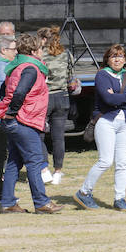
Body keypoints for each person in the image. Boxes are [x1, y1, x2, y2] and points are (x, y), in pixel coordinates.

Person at [0, 33, 63, 214]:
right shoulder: (30, 68)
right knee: (35, 161)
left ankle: (8, 203)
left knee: (14, 162)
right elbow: (19, 93)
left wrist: (8, 113)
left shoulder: (15, 66)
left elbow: (5, 90)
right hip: (23, 120)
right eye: (41, 48)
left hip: (13, 120)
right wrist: (12, 113)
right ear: (34, 51)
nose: (43, 52)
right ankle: (42, 202)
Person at [74, 44, 126, 211]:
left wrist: (119, 96)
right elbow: (108, 100)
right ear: (107, 59)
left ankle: (120, 198)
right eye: (113, 56)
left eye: (120, 56)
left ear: (125, 59)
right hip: (106, 122)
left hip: (125, 123)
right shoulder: (102, 75)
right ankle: (84, 192)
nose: (117, 59)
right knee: (105, 161)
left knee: (122, 163)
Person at [37, 26, 77, 186]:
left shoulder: (40, 55)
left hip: (44, 97)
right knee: (58, 137)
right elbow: (71, 77)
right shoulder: (66, 54)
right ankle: (58, 171)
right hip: (62, 97)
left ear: (44, 40)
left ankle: (44, 169)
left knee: (38, 135)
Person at [0, 35, 18, 207]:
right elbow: (5, 88)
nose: (16, 52)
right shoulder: (2, 66)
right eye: (13, 49)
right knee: (0, 155)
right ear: (4, 50)